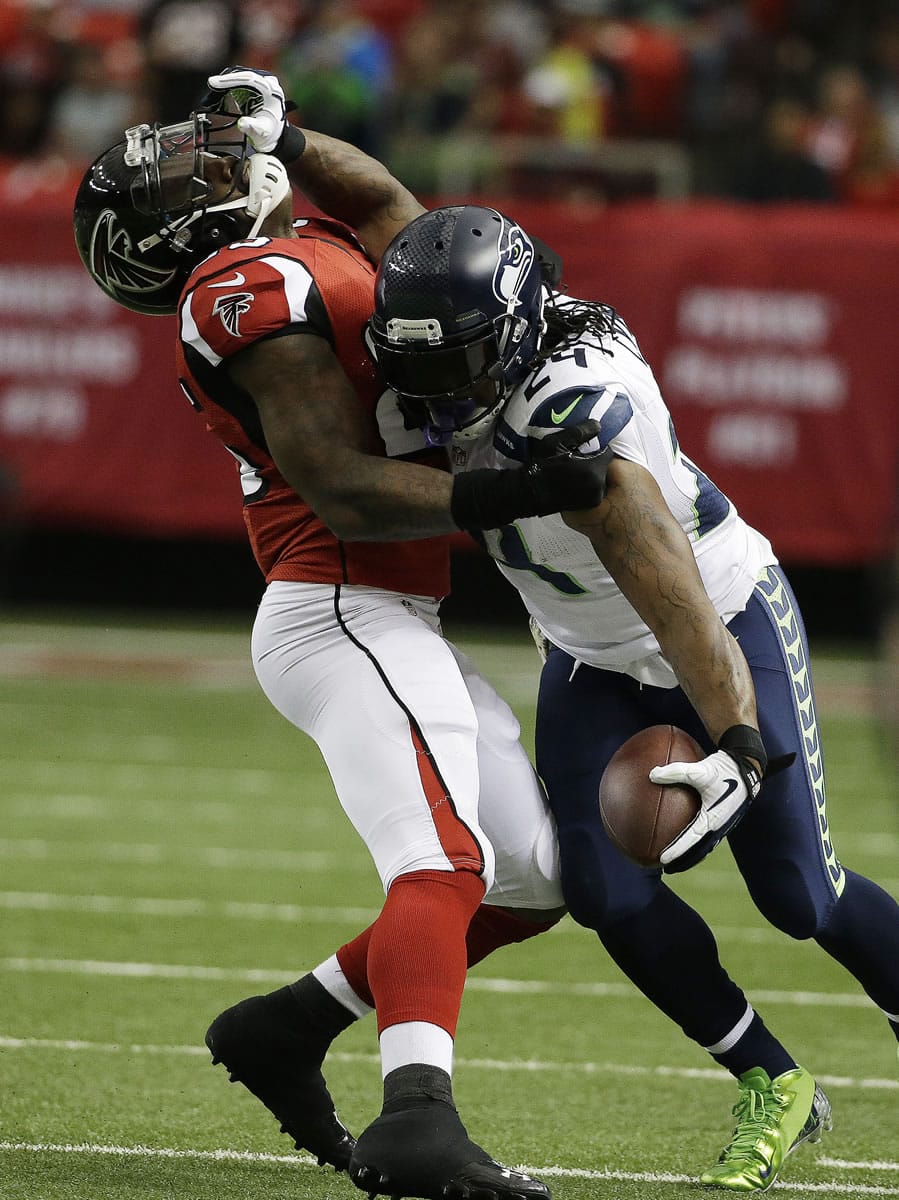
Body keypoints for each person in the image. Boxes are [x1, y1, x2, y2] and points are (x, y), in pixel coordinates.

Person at [72, 69, 611, 1200]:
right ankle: (417, 1113)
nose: (205, 163)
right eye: (178, 176)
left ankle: (285, 1025)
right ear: (164, 236)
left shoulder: (293, 242)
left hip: (390, 607)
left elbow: (385, 209)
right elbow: (343, 489)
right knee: (442, 862)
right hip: (340, 602)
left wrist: (292, 133)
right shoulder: (238, 288)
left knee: (535, 879)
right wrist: (523, 489)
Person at [366, 207, 899, 1190]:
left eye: (461, 361)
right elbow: (393, 220)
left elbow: (677, 602)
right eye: (424, 359)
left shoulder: (580, 414)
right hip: (587, 650)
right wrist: (284, 136)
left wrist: (737, 747)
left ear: (518, 330)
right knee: (604, 891)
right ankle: (770, 1081)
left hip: (718, 617)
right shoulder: (466, 319)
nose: (437, 387)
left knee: (797, 897)